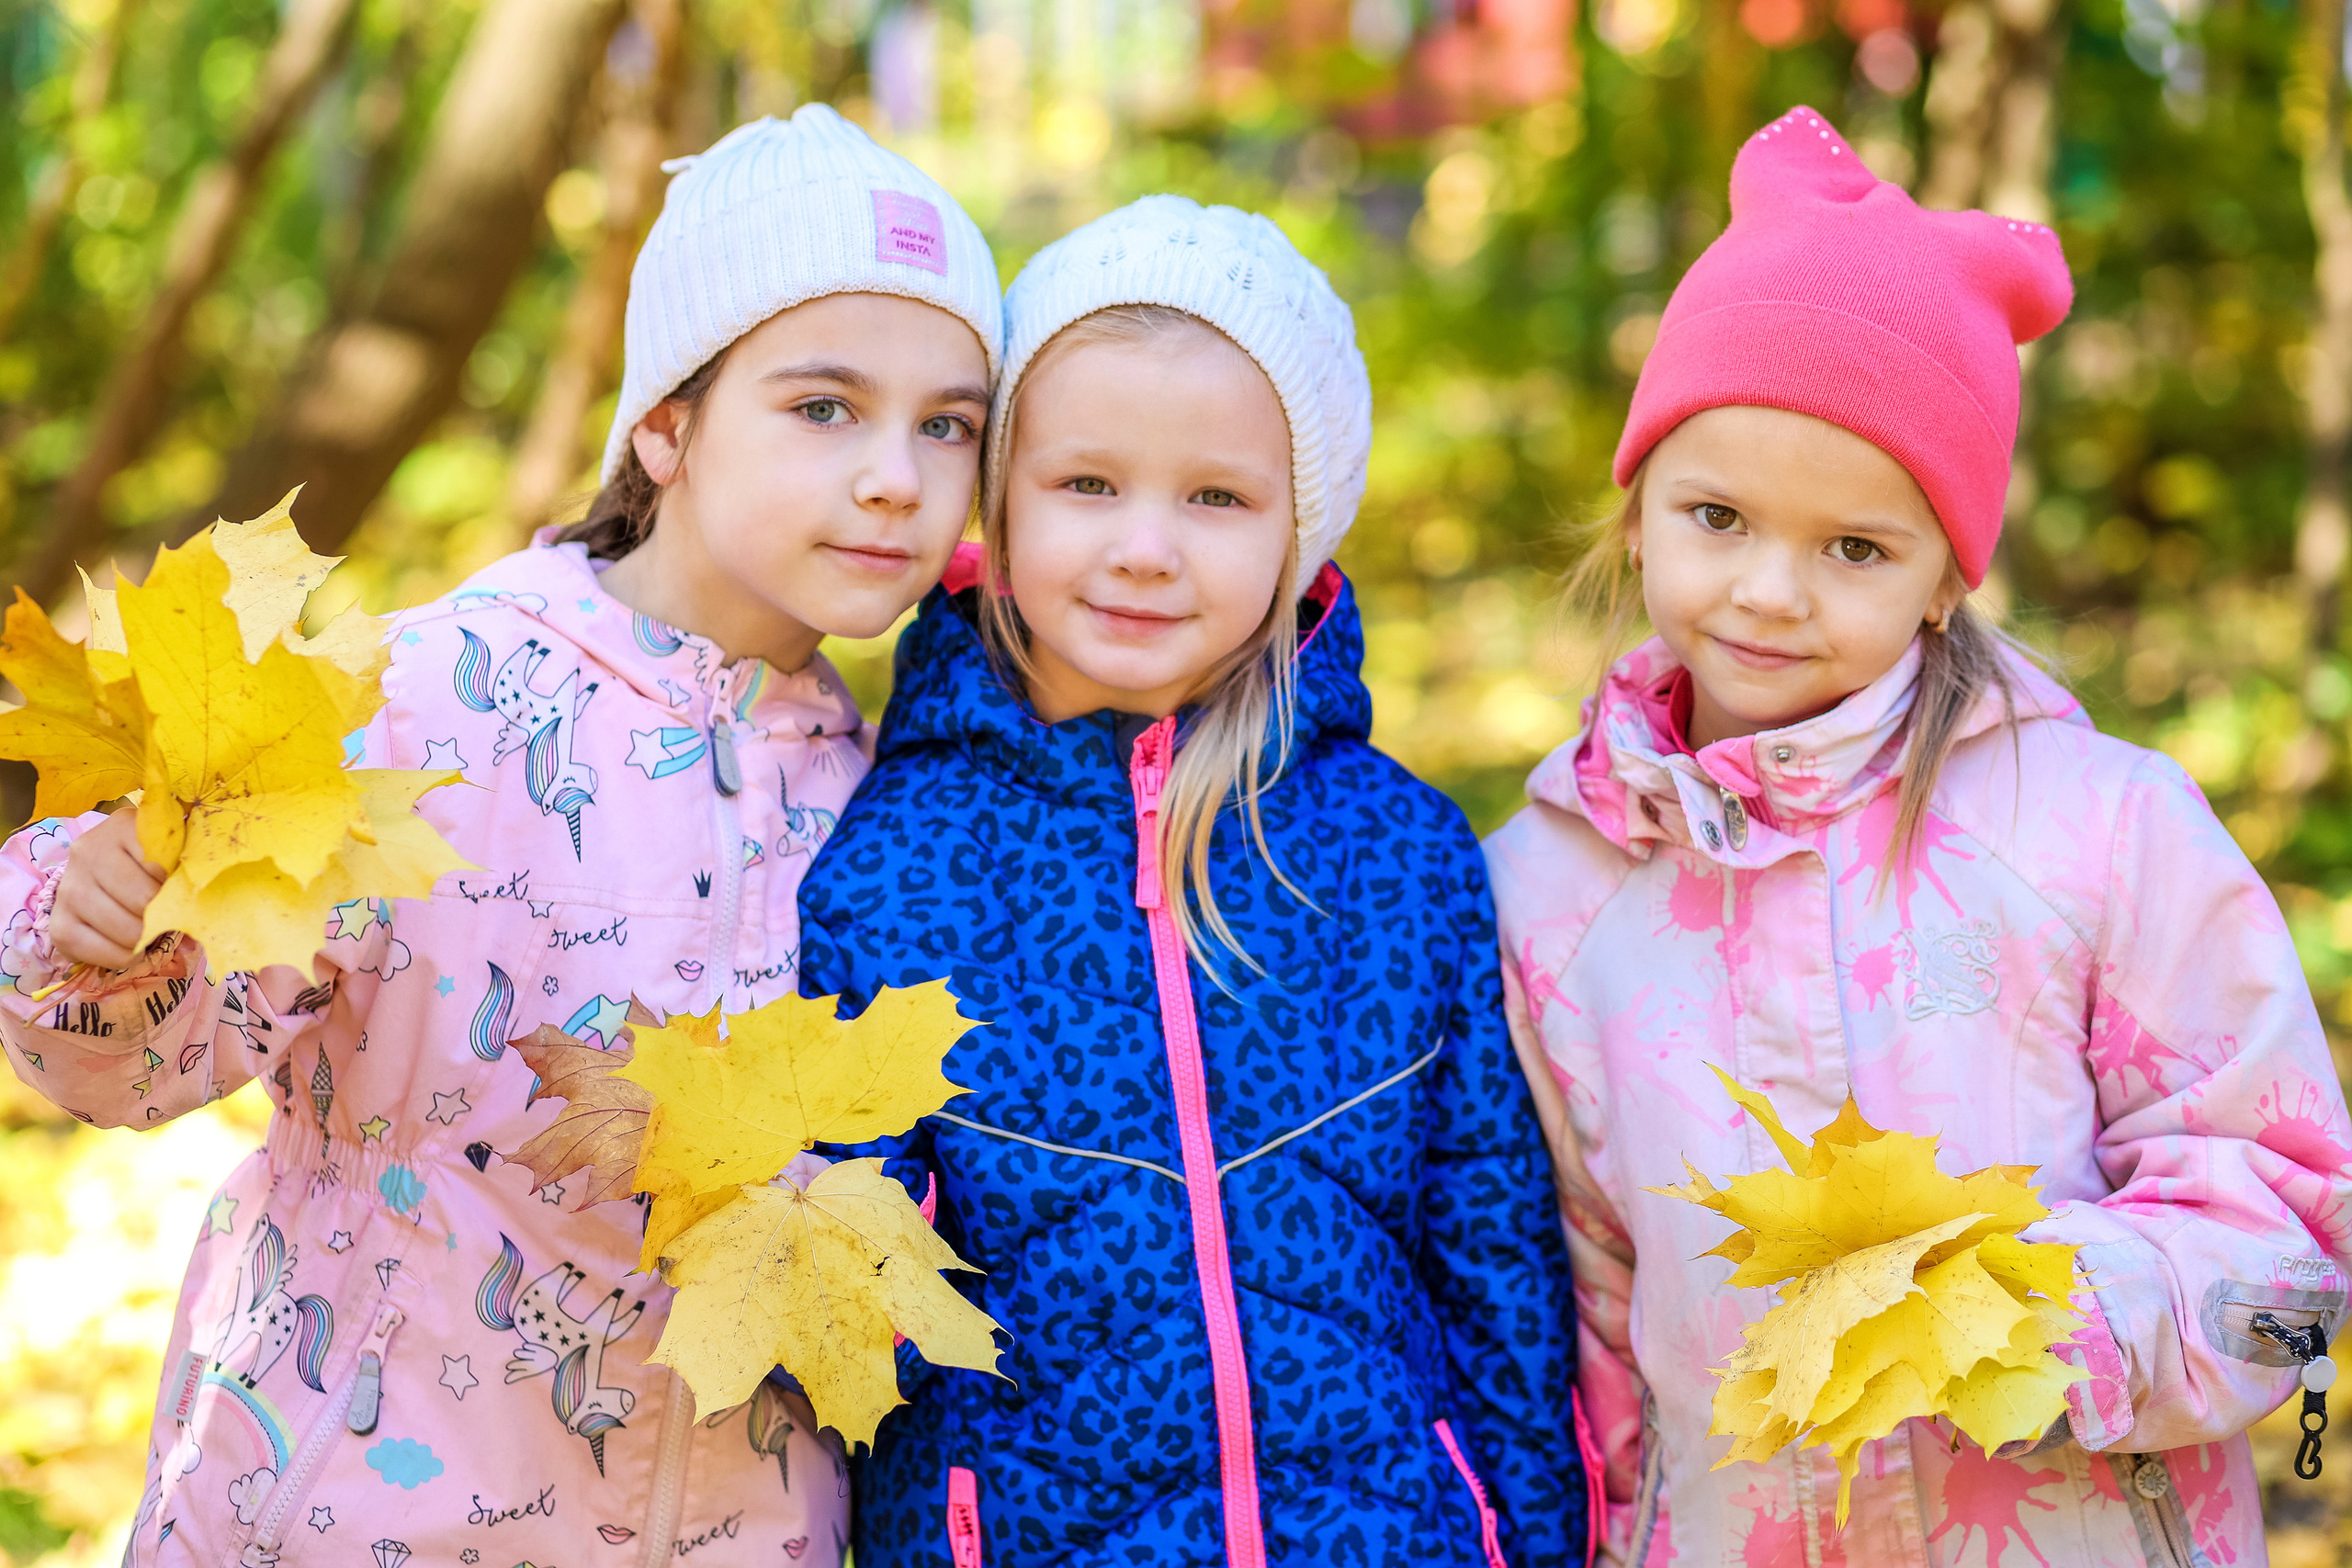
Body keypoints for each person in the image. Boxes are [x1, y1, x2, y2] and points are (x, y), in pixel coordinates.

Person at [0, 105, 1000, 1567]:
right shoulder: (420, 708)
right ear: (664, 422)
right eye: (825, 407)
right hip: (352, 1515)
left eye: (950, 425)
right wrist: (90, 929)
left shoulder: (892, 790)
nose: (898, 476)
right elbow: (129, 1066)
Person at [1485, 105, 2352, 1564]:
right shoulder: (1553, 891)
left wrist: (2063, 1326)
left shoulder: (2097, 831)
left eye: (1855, 549)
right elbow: (1588, 1317)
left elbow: (2300, 1253)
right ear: (1638, 513)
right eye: (1717, 516)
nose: (1769, 590)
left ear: (1948, 576)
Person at [797, 195, 1593, 1568]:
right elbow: (856, 1315)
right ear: (999, 502)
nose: (1146, 547)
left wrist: (1525, 1530)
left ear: (1303, 527)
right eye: (1087, 485)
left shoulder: (1397, 853)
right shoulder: (892, 863)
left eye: (1216, 496)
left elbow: (1495, 1254)